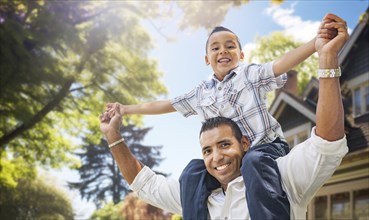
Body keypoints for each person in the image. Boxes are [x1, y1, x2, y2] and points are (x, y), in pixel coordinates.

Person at [100, 13, 349, 219]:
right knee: (192, 172)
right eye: (215, 48)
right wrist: (125, 109)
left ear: (241, 55)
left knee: (252, 162)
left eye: (231, 46)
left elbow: (282, 63)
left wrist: (317, 46)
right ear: (207, 59)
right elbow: (163, 105)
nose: (223, 51)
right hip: (243, 160)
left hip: (266, 151)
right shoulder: (200, 93)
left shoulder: (249, 75)